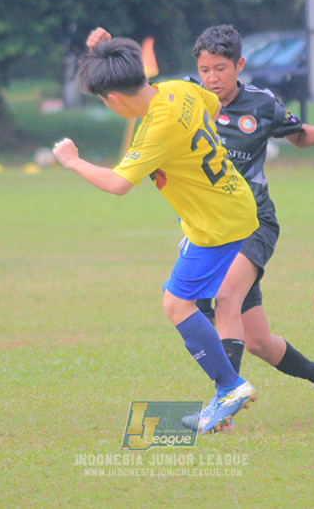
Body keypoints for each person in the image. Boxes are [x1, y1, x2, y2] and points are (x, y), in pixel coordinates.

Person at [52, 28, 259, 434]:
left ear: (113, 98)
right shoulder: (180, 89)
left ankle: (230, 388)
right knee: (193, 300)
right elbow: (212, 104)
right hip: (231, 204)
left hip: (217, 225)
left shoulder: (154, 131)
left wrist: (73, 161)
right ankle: (227, 383)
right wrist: (104, 54)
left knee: (176, 304)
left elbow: (118, 184)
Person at [184, 25, 314, 430]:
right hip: (211, 229)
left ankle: (225, 403)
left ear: (239, 65)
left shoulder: (261, 104)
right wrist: (107, 51)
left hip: (254, 222)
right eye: (205, 70)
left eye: (220, 69)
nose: (212, 78)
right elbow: (139, 92)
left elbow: (299, 135)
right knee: (258, 341)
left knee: (225, 298)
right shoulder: (189, 99)